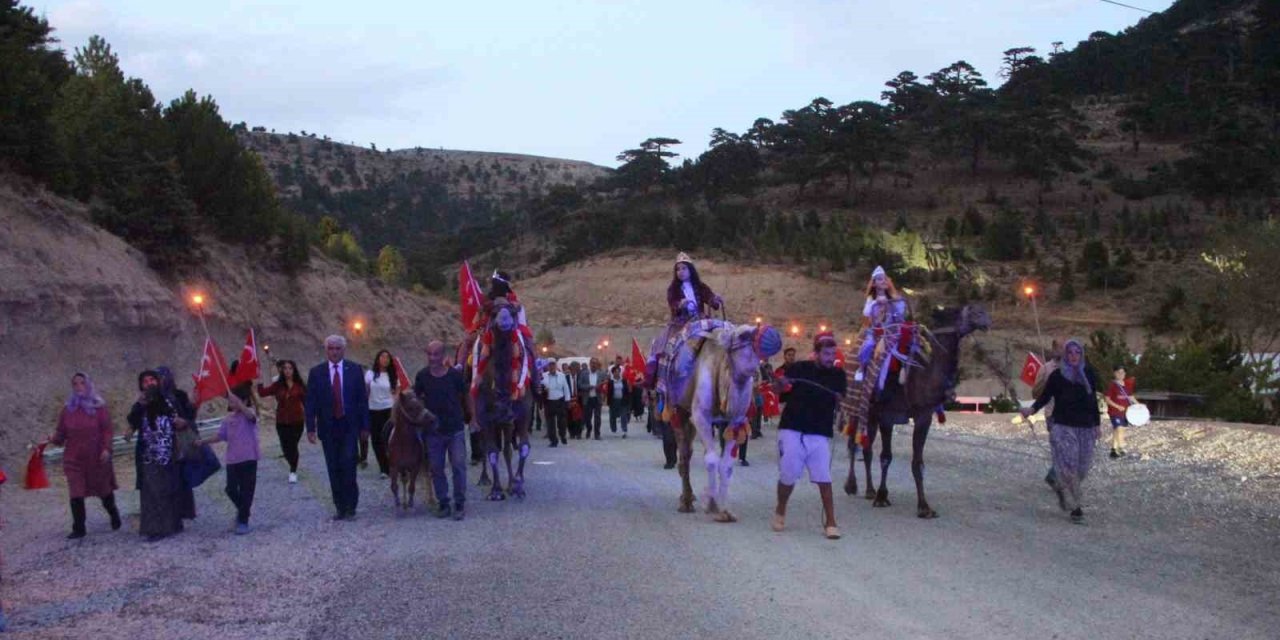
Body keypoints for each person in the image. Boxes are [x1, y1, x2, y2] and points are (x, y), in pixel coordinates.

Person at [771, 332, 848, 540]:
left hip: (819, 431)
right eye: (826, 353)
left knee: (824, 476)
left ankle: (831, 521)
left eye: (833, 353)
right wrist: (779, 384)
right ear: (816, 353)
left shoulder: (839, 375)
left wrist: (840, 402)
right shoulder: (799, 368)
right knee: (788, 475)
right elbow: (780, 391)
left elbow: (841, 399)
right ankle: (781, 509)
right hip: (792, 428)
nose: (830, 357)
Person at [1020, 339, 1103, 524]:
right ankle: (1077, 509)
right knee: (1070, 466)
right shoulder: (1057, 376)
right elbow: (1044, 396)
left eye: (1077, 352)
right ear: (1065, 355)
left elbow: (1093, 401)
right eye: (1070, 353)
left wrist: (1097, 424)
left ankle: (1060, 485)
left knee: (1082, 469)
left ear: (1082, 355)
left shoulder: (1089, 374)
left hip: (1086, 428)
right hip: (1063, 426)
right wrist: (1031, 410)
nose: (1074, 356)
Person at [47, 373, 120, 539]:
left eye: (82, 383)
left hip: (96, 457)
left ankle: (113, 512)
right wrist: (54, 438)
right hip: (74, 458)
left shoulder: (99, 408)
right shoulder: (67, 410)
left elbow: (107, 431)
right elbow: (61, 432)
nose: (79, 386)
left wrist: (107, 449)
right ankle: (79, 528)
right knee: (76, 491)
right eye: (75, 384)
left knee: (104, 491)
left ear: (88, 385)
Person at [305, 335, 370, 521]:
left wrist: (365, 426)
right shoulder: (316, 373)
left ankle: (351, 505)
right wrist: (310, 427)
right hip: (328, 427)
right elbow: (311, 402)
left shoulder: (355, 370)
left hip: (349, 427)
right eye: (331, 349)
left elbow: (361, 401)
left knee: (349, 465)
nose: (334, 352)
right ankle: (340, 507)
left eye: (337, 348)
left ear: (344, 350)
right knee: (333, 468)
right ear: (326, 350)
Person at [645, 252, 724, 389]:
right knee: (664, 348)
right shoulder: (673, 289)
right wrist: (680, 304)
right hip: (679, 324)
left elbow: (710, 299)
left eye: (683, 268)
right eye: (678, 269)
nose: (680, 272)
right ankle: (658, 380)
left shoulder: (700, 286)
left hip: (699, 322)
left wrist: (714, 299)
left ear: (690, 270)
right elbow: (672, 303)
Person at [415, 341, 470, 520]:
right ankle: (444, 502)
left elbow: (466, 395)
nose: (432, 358)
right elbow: (417, 399)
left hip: (455, 429)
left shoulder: (454, 376)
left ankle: (459, 502)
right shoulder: (422, 376)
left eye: (436, 354)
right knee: (437, 468)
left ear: (443, 355)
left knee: (458, 466)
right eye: (429, 354)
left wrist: (473, 417)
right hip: (433, 432)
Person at [196, 383, 260, 535]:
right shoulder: (227, 420)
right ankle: (244, 510)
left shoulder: (249, 413)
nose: (231, 403)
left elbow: (252, 417)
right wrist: (203, 441)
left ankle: (243, 520)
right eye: (230, 401)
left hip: (249, 458)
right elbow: (220, 436)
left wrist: (241, 404)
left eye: (234, 400)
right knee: (230, 489)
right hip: (232, 460)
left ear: (244, 401)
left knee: (247, 490)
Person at [132, 369, 184, 541]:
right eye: (145, 381)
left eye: (152, 380)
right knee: (151, 493)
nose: (149, 384)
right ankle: (155, 529)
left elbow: (183, 420)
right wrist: (139, 405)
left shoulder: (169, 401)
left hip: (169, 454)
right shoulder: (140, 404)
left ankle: (172, 525)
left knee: (168, 490)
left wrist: (181, 422)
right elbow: (132, 422)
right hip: (148, 455)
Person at [258, 360, 307, 484]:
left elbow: (307, 402)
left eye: (290, 368)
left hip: (297, 421)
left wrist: (313, 418)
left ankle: (293, 471)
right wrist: (259, 380)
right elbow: (262, 393)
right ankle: (291, 462)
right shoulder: (278, 385)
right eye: (285, 368)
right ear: (282, 370)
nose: (287, 371)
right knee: (285, 447)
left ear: (294, 370)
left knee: (293, 446)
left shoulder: (299, 385)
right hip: (282, 421)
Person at [363, 350, 399, 478]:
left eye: (387, 357)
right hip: (373, 410)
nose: (385, 359)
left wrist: (396, 412)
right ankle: (383, 468)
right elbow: (365, 393)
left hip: (388, 410)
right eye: (382, 357)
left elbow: (396, 395)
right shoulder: (370, 374)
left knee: (390, 439)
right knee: (376, 440)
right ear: (378, 358)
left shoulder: (393, 376)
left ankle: (393, 464)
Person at [1104, 365, 1138, 459]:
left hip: (1125, 412)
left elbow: (1130, 396)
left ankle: (1114, 450)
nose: (1121, 374)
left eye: (1123, 372)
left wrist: (1138, 404)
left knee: (1119, 429)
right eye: (1119, 372)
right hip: (1114, 412)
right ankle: (1121, 446)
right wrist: (1117, 406)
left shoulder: (1127, 384)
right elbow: (1107, 399)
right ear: (1114, 373)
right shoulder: (1112, 385)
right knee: (1119, 428)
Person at [541, 359, 571, 447]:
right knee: (550, 423)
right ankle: (553, 440)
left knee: (562, 421)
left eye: (553, 364)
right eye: (550, 365)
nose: (552, 367)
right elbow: (540, 387)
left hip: (560, 400)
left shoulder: (561, 375)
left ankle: (562, 435)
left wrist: (567, 400)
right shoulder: (543, 376)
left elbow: (566, 388)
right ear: (547, 366)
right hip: (549, 401)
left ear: (556, 365)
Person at [577, 358, 604, 440]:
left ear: (597, 365)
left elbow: (605, 383)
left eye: (595, 363)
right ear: (590, 364)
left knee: (597, 417)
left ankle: (597, 434)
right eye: (592, 363)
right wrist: (589, 387)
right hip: (587, 398)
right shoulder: (584, 374)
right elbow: (579, 384)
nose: (594, 365)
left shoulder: (601, 374)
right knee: (587, 417)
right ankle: (589, 429)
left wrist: (601, 388)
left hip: (597, 398)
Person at [605, 365, 632, 438]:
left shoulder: (624, 381)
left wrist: (628, 400)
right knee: (612, 416)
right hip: (613, 401)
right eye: (615, 372)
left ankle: (624, 431)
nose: (617, 373)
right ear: (613, 373)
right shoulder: (610, 382)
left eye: (618, 372)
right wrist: (608, 401)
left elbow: (627, 391)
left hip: (622, 400)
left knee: (623, 416)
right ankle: (613, 428)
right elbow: (608, 392)